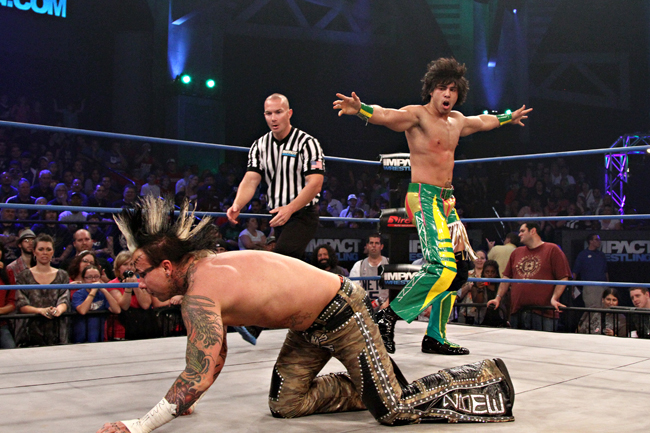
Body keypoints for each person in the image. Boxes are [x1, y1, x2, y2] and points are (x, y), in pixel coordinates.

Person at [97, 196, 515, 433]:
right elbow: (212, 358)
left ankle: (484, 378)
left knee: (392, 410)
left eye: (140, 273)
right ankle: (369, 384)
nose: (139, 283)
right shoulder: (200, 277)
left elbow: (198, 372)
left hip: (343, 311)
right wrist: (189, 396)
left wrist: (139, 425)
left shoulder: (200, 292)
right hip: (308, 327)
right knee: (285, 403)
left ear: (166, 267)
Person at [334, 57, 532, 355]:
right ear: (431, 90)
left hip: (447, 201)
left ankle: (435, 336)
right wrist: (360, 109)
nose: (447, 94)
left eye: (453, 89)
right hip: (423, 197)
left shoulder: (457, 120)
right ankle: (388, 316)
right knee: (442, 267)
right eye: (442, 88)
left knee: (460, 270)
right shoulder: (417, 116)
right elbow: (386, 115)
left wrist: (508, 117)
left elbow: (482, 122)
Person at [227, 93, 325, 259]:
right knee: (290, 263)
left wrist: (290, 208)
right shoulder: (259, 145)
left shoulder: (308, 143)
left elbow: (315, 183)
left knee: (282, 258)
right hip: (277, 215)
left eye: (278, 112)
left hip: (302, 213)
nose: (273, 118)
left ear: (289, 113)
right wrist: (237, 204)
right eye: (269, 113)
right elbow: (251, 179)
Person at [487, 223, 571, 332]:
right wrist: (498, 298)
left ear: (533, 231)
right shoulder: (516, 252)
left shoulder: (552, 249)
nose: (519, 234)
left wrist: (554, 298)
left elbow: (563, 277)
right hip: (518, 311)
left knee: (543, 342)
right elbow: (506, 277)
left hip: (543, 312)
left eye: (522, 231)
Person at [14, 234, 70, 347]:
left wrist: (58, 310)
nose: (45, 253)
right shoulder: (24, 276)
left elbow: (64, 299)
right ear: (34, 252)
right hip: (29, 330)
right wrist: (40, 311)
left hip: (56, 328)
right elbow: (21, 304)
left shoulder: (62, 275)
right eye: (41, 249)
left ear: (53, 252)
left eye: (48, 249)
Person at [71, 265, 121, 343]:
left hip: (99, 337)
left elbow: (117, 310)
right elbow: (82, 311)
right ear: (83, 279)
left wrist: (104, 290)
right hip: (81, 338)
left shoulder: (102, 294)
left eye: (96, 277)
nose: (93, 280)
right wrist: (93, 291)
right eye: (89, 277)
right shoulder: (78, 294)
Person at [349, 233, 389, 306]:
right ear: (367, 246)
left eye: (377, 243)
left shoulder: (390, 263)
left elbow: (398, 290)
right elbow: (354, 291)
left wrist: (387, 302)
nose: (374, 245)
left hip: (387, 306)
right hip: (364, 307)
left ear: (382, 246)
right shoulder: (359, 265)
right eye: (371, 243)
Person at [572, 233, 609, 308]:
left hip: (603, 285)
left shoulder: (601, 255)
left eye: (599, 240)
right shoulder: (583, 255)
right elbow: (575, 272)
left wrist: (608, 285)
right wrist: (572, 287)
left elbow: (605, 271)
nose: (599, 241)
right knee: (592, 308)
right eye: (596, 239)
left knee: (605, 308)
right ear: (590, 241)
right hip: (590, 286)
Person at [473, 260, 509, 327]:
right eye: (487, 272)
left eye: (493, 272)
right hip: (482, 321)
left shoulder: (501, 286)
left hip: (500, 321)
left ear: (496, 273)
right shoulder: (477, 284)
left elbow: (508, 304)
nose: (490, 274)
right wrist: (480, 289)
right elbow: (478, 303)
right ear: (483, 273)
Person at [457, 250, 486, 325]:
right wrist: (468, 287)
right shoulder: (466, 274)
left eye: (482, 258)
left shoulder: (488, 275)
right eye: (477, 257)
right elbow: (458, 295)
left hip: (483, 313)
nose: (479, 260)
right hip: (466, 311)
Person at [0, 244, 16, 348]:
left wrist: (1, 310)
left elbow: (12, 302)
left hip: (1, 324)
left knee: (11, 349)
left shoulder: (8, 272)